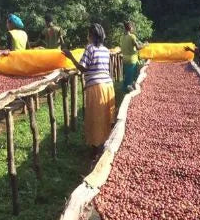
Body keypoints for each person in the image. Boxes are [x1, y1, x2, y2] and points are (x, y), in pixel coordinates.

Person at [62, 23, 116, 163]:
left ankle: (94, 152)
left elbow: (83, 68)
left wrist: (70, 56)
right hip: (108, 86)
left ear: (91, 35)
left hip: (96, 88)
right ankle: (104, 144)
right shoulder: (105, 50)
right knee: (106, 117)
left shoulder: (90, 48)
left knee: (95, 118)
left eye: (88, 34)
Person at [119, 21, 148, 93]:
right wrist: (145, 45)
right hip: (132, 60)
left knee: (126, 76)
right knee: (131, 77)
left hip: (124, 59)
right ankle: (130, 92)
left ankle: (124, 90)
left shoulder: (122, 37)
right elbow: (138, 47)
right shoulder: (132, 36)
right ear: (131, 28)